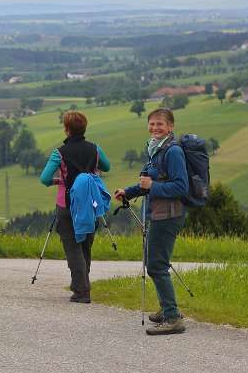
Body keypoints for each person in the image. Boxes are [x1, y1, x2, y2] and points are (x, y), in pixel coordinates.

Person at [115, 108, 189, 336]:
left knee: (157, 265)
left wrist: (152, 187)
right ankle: (166, 307)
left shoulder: (172, 152)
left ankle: (173, 317)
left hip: (168, 215)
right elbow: (148, 181)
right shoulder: (156, 149)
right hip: (157, 213)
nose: (155, 128)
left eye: (160, 125)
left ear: (170, 127)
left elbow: (181, 187)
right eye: (152, 124)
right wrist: (127, 191)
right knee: (154, 263)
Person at [39, 111, 111, 304]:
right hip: (90, 203)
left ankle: (81, 290)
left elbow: (44, 178)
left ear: (67, 129)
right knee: (86, 243)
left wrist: (58, 181)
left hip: (67, 204)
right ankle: (82, 283)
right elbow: (107, 166)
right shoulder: (95, 149)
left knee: (72, 247)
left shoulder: (59, 153)